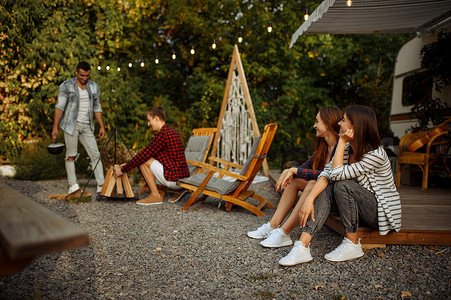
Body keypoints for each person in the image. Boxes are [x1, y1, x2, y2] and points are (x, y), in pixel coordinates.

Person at [278, 105, 401, 266]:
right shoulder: (348, 149)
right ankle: (302, 246)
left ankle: (352, 244)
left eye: (343, 120)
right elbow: (326, 173)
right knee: (327, 188)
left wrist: (341, 141)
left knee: (342, 184)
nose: (339, 123)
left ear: (354, 126)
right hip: (354, 209)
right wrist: (309, 200)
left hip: (379, 213)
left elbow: (337, 175)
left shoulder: (376, 154)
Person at [247, 107, 343, 248]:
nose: (314, 126)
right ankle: (273, 226)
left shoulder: (341, 147)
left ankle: (284, 232)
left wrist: (293, 169)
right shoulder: (323, 147)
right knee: (294, 181)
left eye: (317, 122)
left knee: (310, 183)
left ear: (328, 124)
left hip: (335, 196)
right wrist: (290, 171)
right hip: (322, 188)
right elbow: (306, 166)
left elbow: (329, 175)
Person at [114, 106, 190, 206]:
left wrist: (123, 170)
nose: (148, 124)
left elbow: (144, 155)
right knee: (145, 158)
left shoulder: (164, 134)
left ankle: (155, 196)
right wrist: (128, 165)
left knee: (144, 160)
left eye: (149, 120)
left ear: (156, 118)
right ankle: (164, 191)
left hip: (175, 180)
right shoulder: (171, 131)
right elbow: (152, 154)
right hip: (182, 179)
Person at [52, 61, 105, 196]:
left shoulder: (93, 87)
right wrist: (55, 127)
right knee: (71, 155)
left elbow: (97, 107)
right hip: (71, 125)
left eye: (87, 75)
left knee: (95, 154)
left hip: (87, 125)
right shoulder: (66, 86)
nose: (84, 78)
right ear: (76, 72)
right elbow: (60, 107)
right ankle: (73, 185)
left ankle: (101, 185)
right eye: (82, 75)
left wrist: (101, 126)